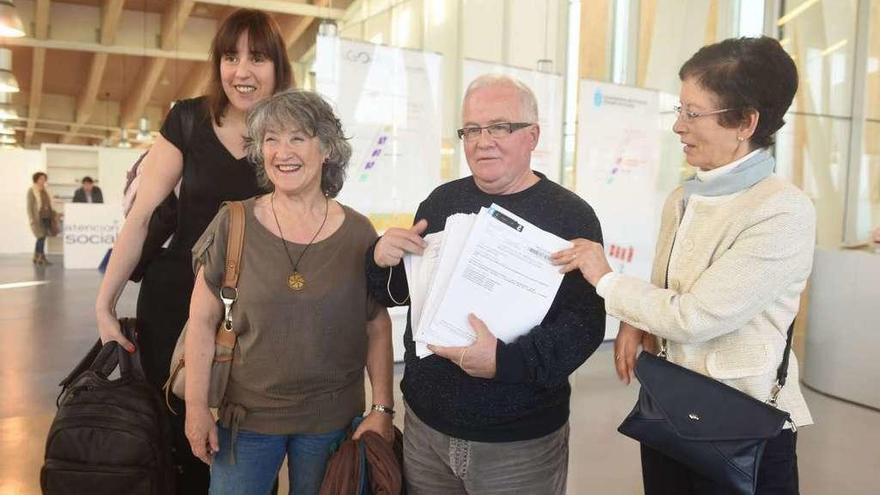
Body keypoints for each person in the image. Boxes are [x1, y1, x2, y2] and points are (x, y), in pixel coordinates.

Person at [552, 36, 813, 494]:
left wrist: (606, 278)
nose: (678, 126)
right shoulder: (684, 196)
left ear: (745, 123)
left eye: (693, 113)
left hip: (740, 426)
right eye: (679, 110)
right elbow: (664, 291)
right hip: (669, 409)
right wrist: (637, 322)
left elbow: (694, 316)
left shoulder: (782, 211)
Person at [366, 74, 606, 495]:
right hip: (426, 430)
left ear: (532, 136)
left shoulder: (571, 217)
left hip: (518, 445)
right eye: (472, 129)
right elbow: (401, 292)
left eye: (499, 127)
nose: (482, 141)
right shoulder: (442, 202)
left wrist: (504, 362)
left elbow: (585, 327)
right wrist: (381, 260)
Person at [94, 9, 292, 493]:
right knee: (176, 445)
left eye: (257, 58)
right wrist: (104, 305)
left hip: (252, 313)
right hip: (173, 302)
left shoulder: (289, 132)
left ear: (277, 67)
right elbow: (141, 219)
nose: (241, 71)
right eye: (230, 57)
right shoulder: (187, 119)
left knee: (243, 447)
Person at [183, 89, 395, 495]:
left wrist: (382, 408)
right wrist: (196, 407)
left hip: (331, 423)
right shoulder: (234, 222)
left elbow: (376, 326)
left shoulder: (358, 232)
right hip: (245, 423)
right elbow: (201, 321)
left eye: (298, 137)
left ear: (327, 148)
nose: (283, 152)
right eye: (271, 139)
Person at [27, 172, 58, 265]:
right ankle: (41, 257)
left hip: (47, 216)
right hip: (38, 218)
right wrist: (31, 218)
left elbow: (50, 203)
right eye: (41, 178)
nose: (43, 180)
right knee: (41, 237)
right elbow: (29, 206)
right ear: (36, 179)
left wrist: (55, 214)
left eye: (44, 179)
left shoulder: (47, 190)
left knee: (42, 238)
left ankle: (36, 256)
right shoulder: (32, 190)